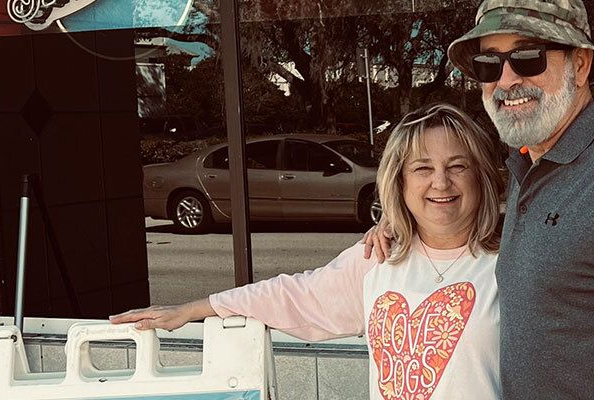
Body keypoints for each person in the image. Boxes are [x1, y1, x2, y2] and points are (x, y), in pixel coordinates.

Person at [365, 1, 594, 398]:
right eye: (489, 64)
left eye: (527, 57)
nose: (506, 80)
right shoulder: (532, 165)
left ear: (579, 64)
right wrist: (400, 223)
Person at [111, 103, 507, 400]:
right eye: (422, 168)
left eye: (458, 166)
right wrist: (195, 309)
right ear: (399, 182)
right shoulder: (378, 260)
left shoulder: (512, 263)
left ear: (481, 177)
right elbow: (292, 296)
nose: (441, 182)